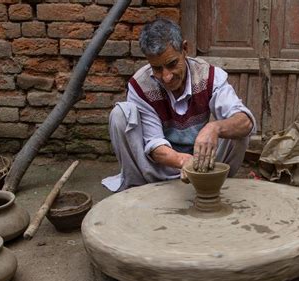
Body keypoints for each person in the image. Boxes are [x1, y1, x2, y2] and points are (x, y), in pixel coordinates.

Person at [102, 18, 256, 192]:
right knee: (120, 115)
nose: (166, 76)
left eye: (172, 64)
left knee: (238, 125)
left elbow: (246, 122)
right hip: (157, 167)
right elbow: (154, 144)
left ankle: (217, 184)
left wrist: (215, 128)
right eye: (157, 69)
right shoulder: (140, 86)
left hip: (204, 162)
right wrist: (183, 161)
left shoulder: (210, 76)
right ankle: (137, 190)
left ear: (185, 49)